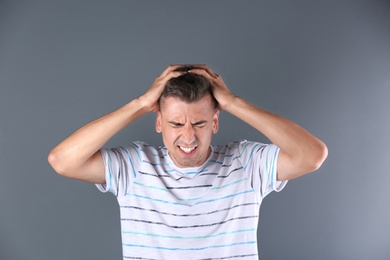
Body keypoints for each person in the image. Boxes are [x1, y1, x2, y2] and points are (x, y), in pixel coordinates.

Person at [48, 64, 327, 259]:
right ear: (158, 121)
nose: (188, 136)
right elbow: (62, 160)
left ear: (215, 122)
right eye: (176, 123)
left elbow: (312, 155)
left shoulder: (246, 164)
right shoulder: (134, 167)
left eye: (200, 122)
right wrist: (141, 104)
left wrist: (231, 102)